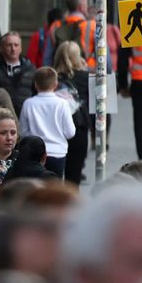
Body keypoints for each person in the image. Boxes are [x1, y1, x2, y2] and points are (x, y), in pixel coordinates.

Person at [18, 67, 77, 179]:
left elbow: (23, 132)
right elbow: (70, 132)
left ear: (35, 84)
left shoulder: (28, 103)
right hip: (58, 153)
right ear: (56, 84)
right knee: (55, 190)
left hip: (34, 153)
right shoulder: (62, 104)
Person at [52, 40, 91, 185]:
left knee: (52, 177)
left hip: (53, 128)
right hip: (77, 129)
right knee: (73, 178)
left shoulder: (50, 76)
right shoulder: (85, 78)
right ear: (78, 57)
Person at [0, 31, 37, 116]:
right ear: (1, 48)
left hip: (24, 117)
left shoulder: (31, 69)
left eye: (16, 45)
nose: (13, 49)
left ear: (21, 48)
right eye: (9, 45)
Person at [51, 0, 97, 67]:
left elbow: (48, 57)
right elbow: (104, 58)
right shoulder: (93, 26)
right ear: (81, 7)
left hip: (63, 72)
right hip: (87, 72)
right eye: (86, 4)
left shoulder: (55, 26)